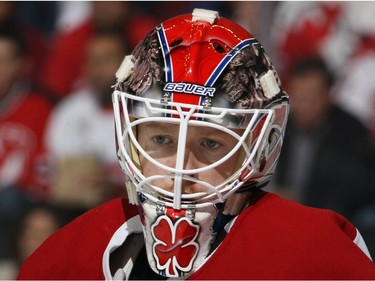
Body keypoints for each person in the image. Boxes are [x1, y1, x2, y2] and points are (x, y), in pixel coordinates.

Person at [17, 9, 375, 280]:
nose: (182, 167)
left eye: (210, 143)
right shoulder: (70, 255)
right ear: (129, 134)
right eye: (161, 138)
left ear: (259, 147)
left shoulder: (311, 251)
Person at [271, 57, 375, 220]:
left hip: (333, 217)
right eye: (299, 97)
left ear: (327, 94)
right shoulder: (280, 127)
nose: (304, 106)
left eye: (311, 98)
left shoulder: (351, 131)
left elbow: (355, 188)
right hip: (284, 214)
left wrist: (303, 202)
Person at [45, 31, 128, 210]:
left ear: (129, 64)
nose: (98, 68)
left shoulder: (148, 110)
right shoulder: (70, 110)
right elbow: (60, 169)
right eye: (92, 60)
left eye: (107, 59)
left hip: (131, 207)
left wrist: (114, 183)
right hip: (76, 208)